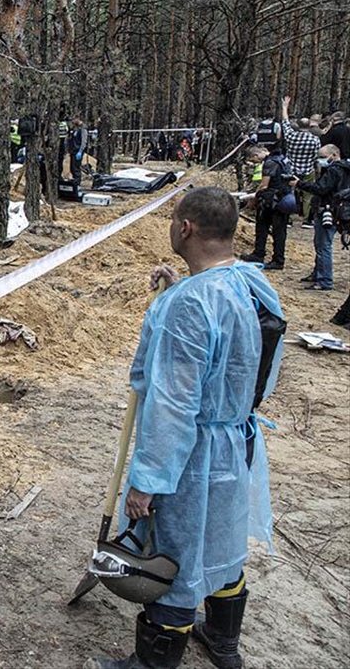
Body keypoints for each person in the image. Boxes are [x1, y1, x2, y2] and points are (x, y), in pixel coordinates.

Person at [88, 187, 282, 669]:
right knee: (223, 541)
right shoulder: (249, 283)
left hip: (191, 451)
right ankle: (223, 641)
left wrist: (148, 481)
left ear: (186, 229)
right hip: (236, 438)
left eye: (173, 220)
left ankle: (153, 662)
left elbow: (174, 402)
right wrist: (182, 286)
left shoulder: (190, 306)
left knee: (175, 554)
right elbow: (251, 354)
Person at [291, 144, 347, 292]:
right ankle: (317, 273)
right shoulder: (345, 169)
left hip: (328, 210)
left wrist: (299, 184)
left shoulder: (334, 170)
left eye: (322, 157)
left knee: (323, 246)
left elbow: (321, 188)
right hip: (339, 210)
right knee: (320, 244)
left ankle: (324, 280)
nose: (320, 160)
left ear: (334, 155)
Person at [240, 145, 294, 270]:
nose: (255, 163)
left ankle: (276, 260)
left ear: (256, 155)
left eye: (254, 161)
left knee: (269, 229)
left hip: (273, 200)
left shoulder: (270, 163)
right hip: (284, 197)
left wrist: (253, 200)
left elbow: (264, 185)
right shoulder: (282, 158)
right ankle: (261, 254)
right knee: (274, 229)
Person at [280, 98, 321, 226]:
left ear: (298, 125)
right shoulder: (315, 140)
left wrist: (285, 107)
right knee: (308, 194)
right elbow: (316, 156)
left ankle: (289, 218)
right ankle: (306, 220)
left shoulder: (291, 136)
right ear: (309, 126)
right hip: (308, 169)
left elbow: (285, 122)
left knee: (289, 192)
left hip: (291, 169)